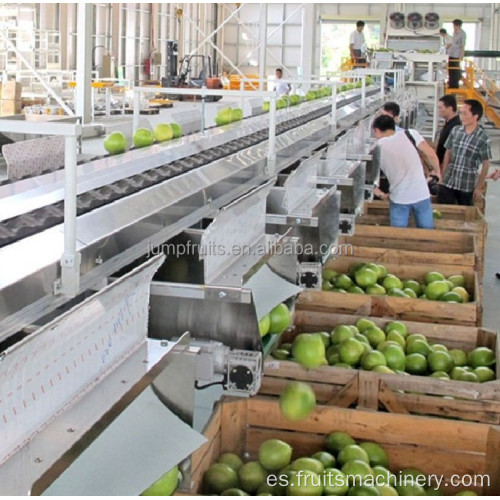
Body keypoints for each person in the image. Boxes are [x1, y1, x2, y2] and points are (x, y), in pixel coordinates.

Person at [372, 115, 441, 229]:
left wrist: (382, 195)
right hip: (421, 194)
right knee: (427, 234)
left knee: (397, 237)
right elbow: (431, 154)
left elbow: (367, 180)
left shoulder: (377, 148)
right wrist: (438, 172)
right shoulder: (410, 134)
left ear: (377, 130)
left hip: (399, 198)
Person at [437, 99, 492, 206]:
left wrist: (479, 188)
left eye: (465, 113)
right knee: (444, 212)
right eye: (460, 113)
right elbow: (448, 152)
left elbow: (486, 163)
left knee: (464, 217)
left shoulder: (483, 138)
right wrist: (443, 176)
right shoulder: (456, 130)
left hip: (466, 185)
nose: (461, 116)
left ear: (475, 116)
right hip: (448, 181)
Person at [436, 94, 461, 171]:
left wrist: (443, 168)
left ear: (450, 109)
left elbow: (451, 150)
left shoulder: (456, 126)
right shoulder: (449, 123)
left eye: (440, 108)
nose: (438, 110)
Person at [448, 19, 466, 89]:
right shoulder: (454, 32)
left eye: (455, 26)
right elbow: (452, 43)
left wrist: (461, 55)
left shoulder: (462, 34)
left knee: (455, 70)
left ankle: (455, 85)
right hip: (451, 53)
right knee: (451, 70)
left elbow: (463, 45)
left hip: (457, 54)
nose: (454, 27)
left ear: (458, 26)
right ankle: (451, 84)